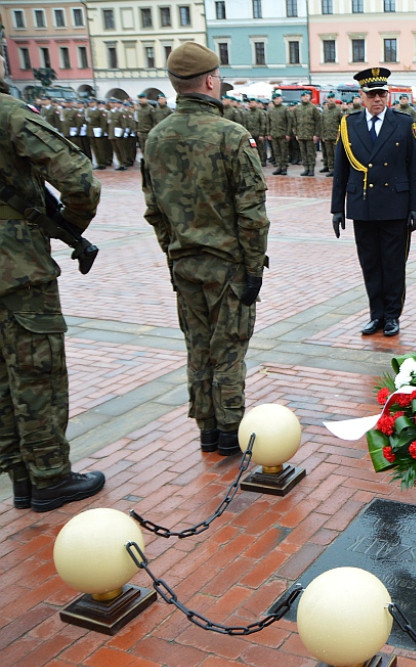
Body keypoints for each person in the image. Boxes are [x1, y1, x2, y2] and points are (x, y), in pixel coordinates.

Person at [143, 42, 270, 457]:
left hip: (185, 263)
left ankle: (206, 430)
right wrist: (254, 270)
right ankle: (230, 433)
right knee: (228, 351)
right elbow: (251, 215)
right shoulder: (231, 136)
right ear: (212, 80)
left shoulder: (156, 137)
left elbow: (154, 211)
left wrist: (173, 253)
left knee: (198, 350)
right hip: (227, 266)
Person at [0, 71, 106, 512]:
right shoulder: (8, 113)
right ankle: (50, 477)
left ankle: (21, 478)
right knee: (35, 373)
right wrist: (69, 227)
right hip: (16, 269)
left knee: (3, 381)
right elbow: (80, 179)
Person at [331, 67, 416, 338]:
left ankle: (393, 315)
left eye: (382, 94)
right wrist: (337, 208)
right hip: (363, 205)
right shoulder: (349, 124)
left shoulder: (405, 123)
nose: (377, 100)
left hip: (395, 205)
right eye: (371, 95)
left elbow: (414, 169)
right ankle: (376, 315)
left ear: (388, 95)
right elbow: (341, 169)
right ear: (361, 95)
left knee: (393, 264)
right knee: (370, 263)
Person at [293, 91, 321, 176]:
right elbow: (295, 122)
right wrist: (296, 134)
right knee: (303, 153)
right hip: (301, 134)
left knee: (310, 153)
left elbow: (318, 121)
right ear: (301, 97)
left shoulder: (313, 108)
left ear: (309, 97)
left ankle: (311, 169)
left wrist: (316, 134)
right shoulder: (297, 108)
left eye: (307, 96)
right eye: (303, 96)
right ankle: (306, 168)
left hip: (310, 135)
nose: (305, 98)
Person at [268, 91, 291, 175]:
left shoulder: (285, 109)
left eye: (278, 98)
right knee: (276, 152)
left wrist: (288, 133)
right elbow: (269, 122)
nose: (277, 100)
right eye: (275, 99)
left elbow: (289, 122)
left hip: (283, 134)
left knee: (284, 152)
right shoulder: (271, 110)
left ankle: (284, 167)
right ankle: (279, 167)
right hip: (274, 134)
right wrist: (269, 133)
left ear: (281, 99)